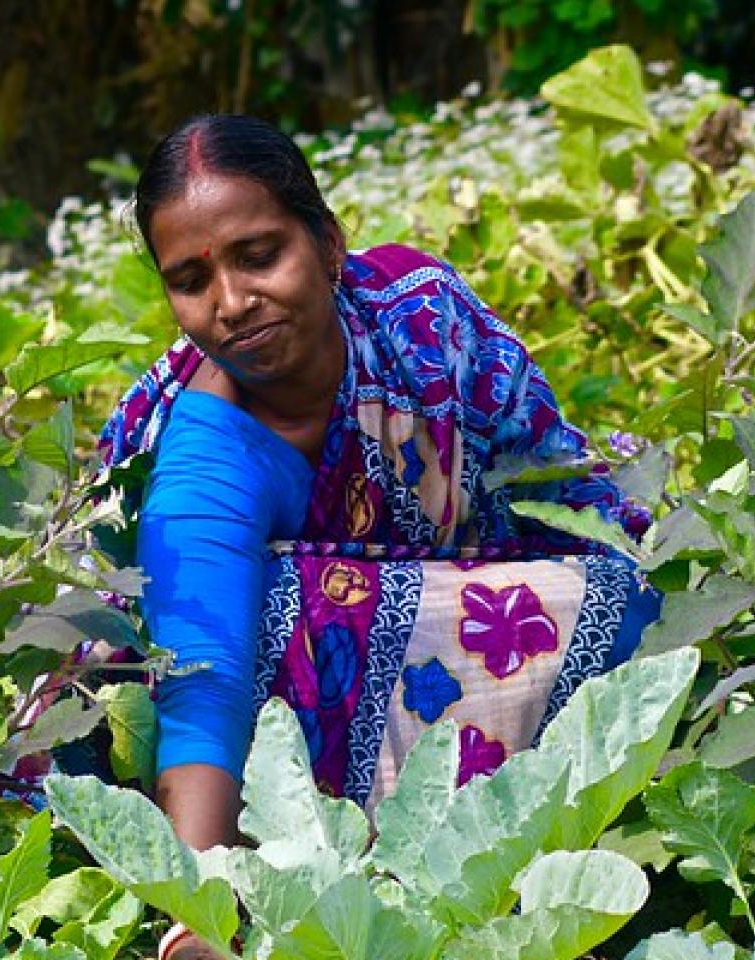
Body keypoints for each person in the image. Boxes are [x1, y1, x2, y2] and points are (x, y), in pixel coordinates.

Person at [94, 114, 660, 960]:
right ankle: (317, 882)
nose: (230, 302)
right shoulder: (197, 446)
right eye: (190, 279)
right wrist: (199, 917)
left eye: (258, 255)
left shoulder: (424, 325)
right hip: (241, 737)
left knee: (622, 597)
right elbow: (196, 682)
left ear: (327, 244)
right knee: (291, 607)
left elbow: (561, 482)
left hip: (485, 625)